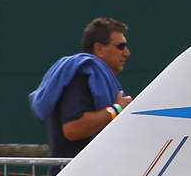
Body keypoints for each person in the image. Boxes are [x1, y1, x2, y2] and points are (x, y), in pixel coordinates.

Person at [30, 18, 132, 159]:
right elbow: (74, 128)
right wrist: (117, 109)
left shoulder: (96, 77)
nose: (127, 52)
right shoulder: (82, 75)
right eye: (120, 46)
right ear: (99, 49)